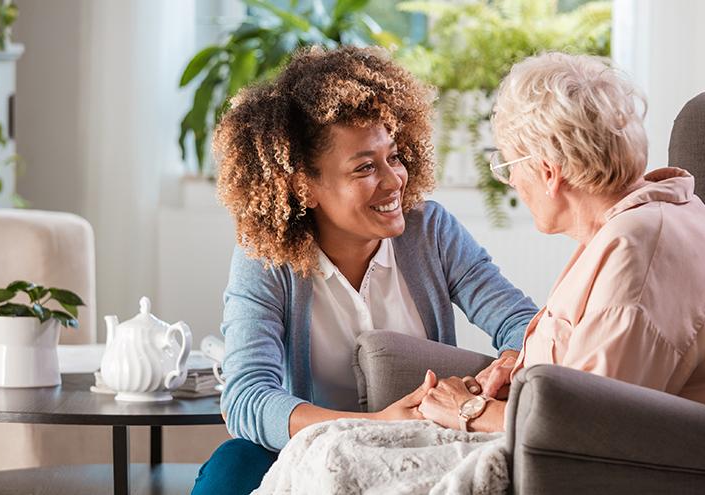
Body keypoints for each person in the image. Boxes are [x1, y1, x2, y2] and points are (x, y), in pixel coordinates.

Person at [190, 46, 539, 494]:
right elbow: (247, 398)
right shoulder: (266, 257)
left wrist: (508, 365)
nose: (394, 180)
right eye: (365, 167)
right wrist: (372, 424)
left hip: (421, 446)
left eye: (393, 156)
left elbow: (522, 324)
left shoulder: (429, 231)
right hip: (310, 448)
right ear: (304, 185)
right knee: (232, 467)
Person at [416, 51, 705, 433]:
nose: (513, 183)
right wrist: (523, 369)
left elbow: (588, 427)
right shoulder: (639, 223)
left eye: (507, 167)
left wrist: (469, 410)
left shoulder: (638, 252)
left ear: (549, 172)